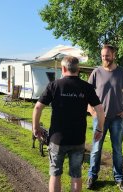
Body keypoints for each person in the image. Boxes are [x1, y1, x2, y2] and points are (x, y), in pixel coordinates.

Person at [32, 56, 105, 192]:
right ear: (78, 69)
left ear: (63, 68)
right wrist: (99, 129)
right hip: (78, 140)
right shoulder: (86, 87)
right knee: (76, 175)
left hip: (57, 140)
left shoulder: (54, 85)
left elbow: (37, 108)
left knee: (55, 174)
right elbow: (100, 109)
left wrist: (35, 127)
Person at [87, 44, 123, 191]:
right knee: (96, 149)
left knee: (117, 150)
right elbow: (87, 93)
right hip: (100, 118)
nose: (104, 58)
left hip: (117, 118)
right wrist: (91, 110)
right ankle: (92, 176)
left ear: (113, 55)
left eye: (107, 55)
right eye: (102, 56)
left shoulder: (121, 72)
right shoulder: (96, 72)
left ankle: (119, 179)